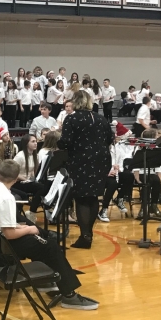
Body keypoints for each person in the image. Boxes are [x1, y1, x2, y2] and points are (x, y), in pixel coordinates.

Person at [0, 160, 99, 311]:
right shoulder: (5, 197)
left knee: (41, 242)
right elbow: (9, 234)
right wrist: (29, 230)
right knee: (50, 246)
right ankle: (69, 295)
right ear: (15, 180)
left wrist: (21, 227)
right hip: (4, 244)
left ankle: (44, 281)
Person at [58, 91, 113, 249]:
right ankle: (89, 233)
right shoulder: (101, 118)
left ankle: (85, 236)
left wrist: (59, 143)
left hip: (81, 160)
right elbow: (110, 138)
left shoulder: (72, 118)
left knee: (81, 197)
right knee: (93, 196)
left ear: (75, 102)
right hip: (101, 160)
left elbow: (66, 141)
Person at [100, 122, 136, 220]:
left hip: (114, 173)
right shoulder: (100, 150)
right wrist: (108, 171)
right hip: (102, 175)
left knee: (129, 176)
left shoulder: (116, 148)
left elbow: (121, 162)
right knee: (112, 184)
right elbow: (98, 165)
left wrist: (119, 169)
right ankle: (103, 210)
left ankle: (119, 198)